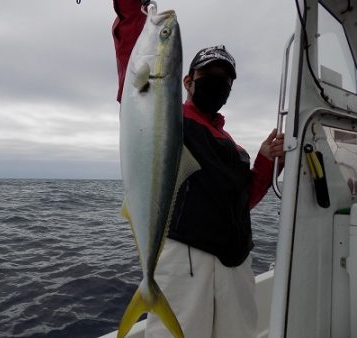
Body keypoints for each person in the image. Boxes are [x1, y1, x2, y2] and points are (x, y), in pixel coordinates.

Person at [112, 1, 285, 337]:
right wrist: (137, 8)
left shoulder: (233, 146)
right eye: (209, 76)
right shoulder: (168, 119)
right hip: (186, 261)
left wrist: (265, 160)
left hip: (236, 265)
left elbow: (242, 200)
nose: (218, 83)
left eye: (225, 79)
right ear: (188, 81)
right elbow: (136, 59)